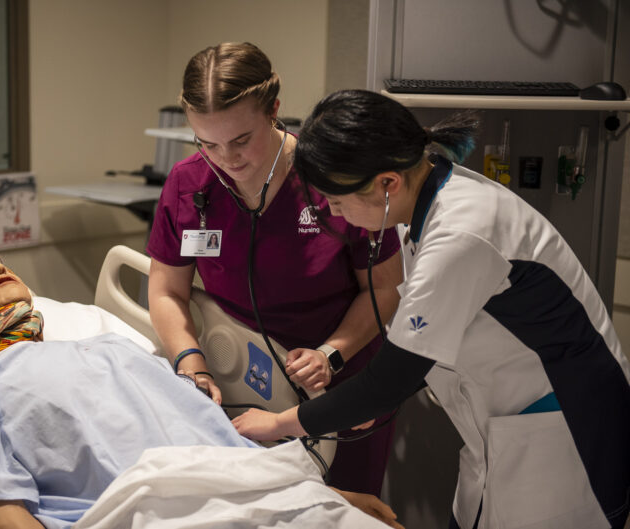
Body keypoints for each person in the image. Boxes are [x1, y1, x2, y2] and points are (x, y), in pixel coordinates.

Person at [232, 89, 630, 529]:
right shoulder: (429, 197)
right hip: (505, 424)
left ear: (388, 183)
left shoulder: (461, 232)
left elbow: (389, 380)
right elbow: (434, 336)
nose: (332, 211)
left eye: (339, 201)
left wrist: (276, 425)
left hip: (567, 431)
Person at [0, 240, 405, 529]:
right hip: (149, 514)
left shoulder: (111, 346)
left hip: (260, 499)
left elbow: (212, 440)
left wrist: (326, 493)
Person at [146, 42, 403, 496]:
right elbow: (167, 291)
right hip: (238, 382)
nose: (227, 158)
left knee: (343, 514)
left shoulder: (330, 181)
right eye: (207, 143)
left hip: (340, 387)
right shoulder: (189, 184)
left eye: (242, 139)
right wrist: (191, 364)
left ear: (274, 111)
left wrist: (331, 353)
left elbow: (384, 289)